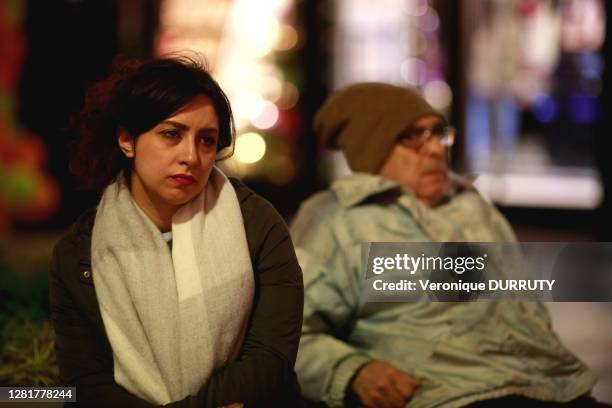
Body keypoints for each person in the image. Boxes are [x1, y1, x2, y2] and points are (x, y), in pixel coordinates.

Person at [291, 83, 600, 408]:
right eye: (412, 137)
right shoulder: (336, 219)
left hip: (550, 384)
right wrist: (354, 371)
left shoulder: (469, 203)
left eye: (438, 133)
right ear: (373, 148)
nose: (437, 149)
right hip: (446, 394)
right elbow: (293, 336)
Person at [49, 56, 304, 407]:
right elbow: (84, 382)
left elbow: (271, 358)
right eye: (172, 134)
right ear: (127, 139)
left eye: (206, 140)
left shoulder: (256, 223)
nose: (191, 156)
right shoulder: (81, 251)